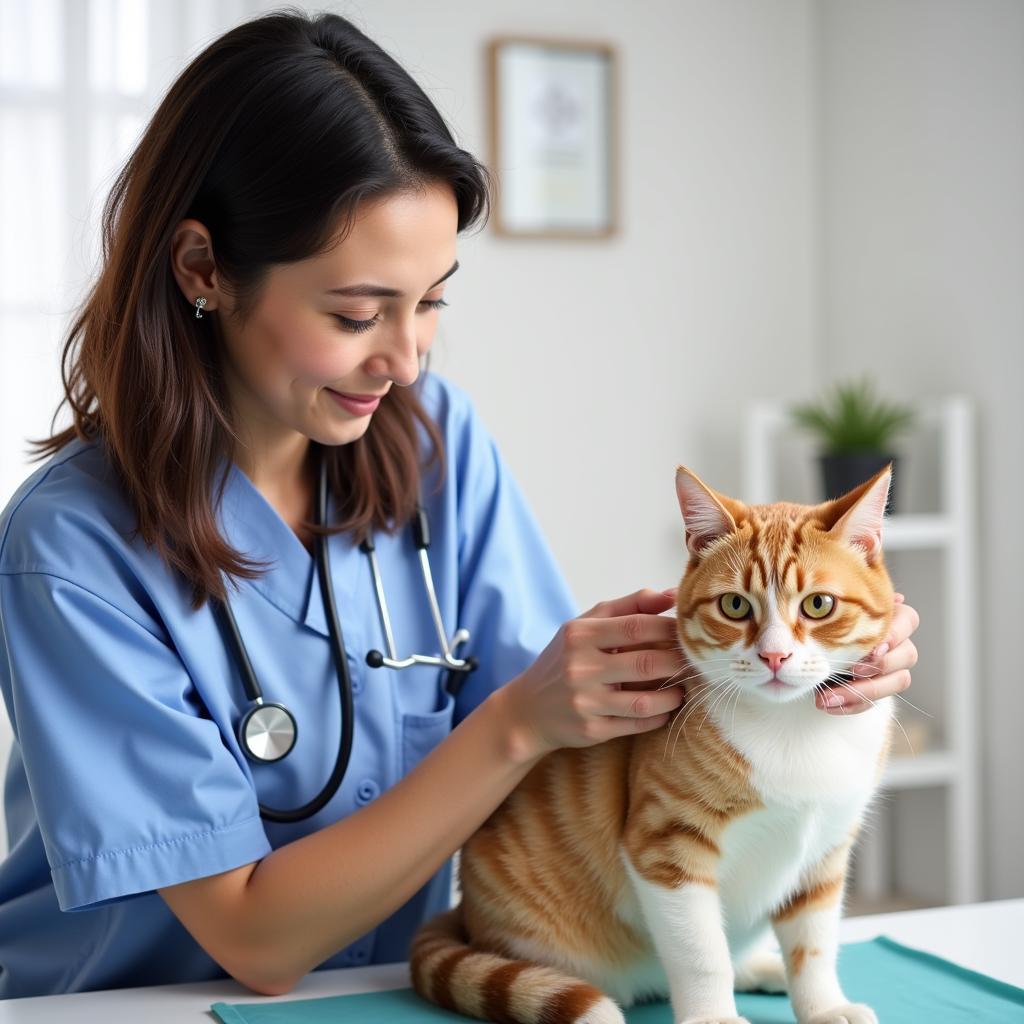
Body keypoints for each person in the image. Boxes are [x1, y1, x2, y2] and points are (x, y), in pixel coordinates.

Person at [0, 8, 920, 1001]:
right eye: (356, 314)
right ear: (202, 269)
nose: (405, 358)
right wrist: (518, 722)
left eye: (432, 299)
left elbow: (574, 730)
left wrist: (826, 644)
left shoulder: (434, 437)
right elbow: (256, 940)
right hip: (123, 1006)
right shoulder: (70, 548)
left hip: (381, 991)